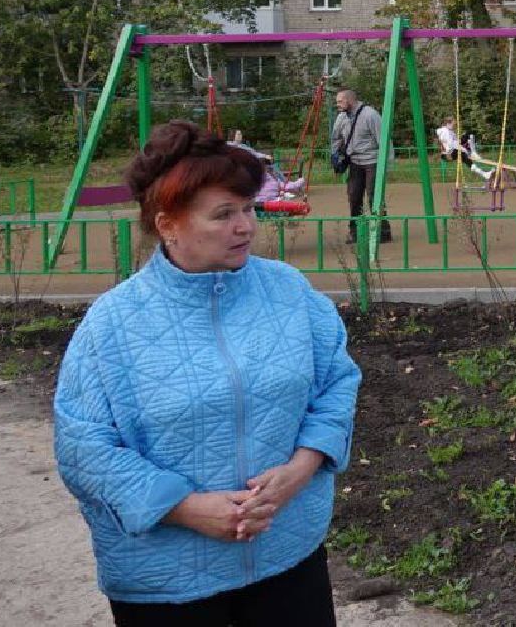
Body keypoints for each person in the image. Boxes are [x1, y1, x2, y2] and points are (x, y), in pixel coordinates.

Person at [53, 120, 360, 625]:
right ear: (168, 223)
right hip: (166, 582)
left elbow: (336, 385)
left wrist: (301, 469)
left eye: (247, 208)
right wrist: (186, 508)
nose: (246, 226)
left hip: (288, 554)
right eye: (223, 214)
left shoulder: (289, 292)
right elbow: (83, 448)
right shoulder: (112, 323)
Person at [331, 88, 391, 244]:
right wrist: (335, 156)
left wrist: (387, 165)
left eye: (340, 101)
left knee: (373, 196)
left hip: (372, 161)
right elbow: (336, 138)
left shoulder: (370, 115)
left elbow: (384, 140)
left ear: (349, 100)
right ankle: (355, 231)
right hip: (354, 162)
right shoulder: (341, 117)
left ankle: (383, 231)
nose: (337, 104)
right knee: (354, 196)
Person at [435, 116, 493, 180]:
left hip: (454, 149)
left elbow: (455, 141)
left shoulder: (449, 131)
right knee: (465, 156)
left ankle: (484, 174)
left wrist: (462, 141)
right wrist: (462, 148)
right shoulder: (445, 132)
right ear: (448, 123)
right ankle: (473, 155)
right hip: (450, 152)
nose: (454, 126)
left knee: (468, 134)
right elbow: (450, 144)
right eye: (453, 124)